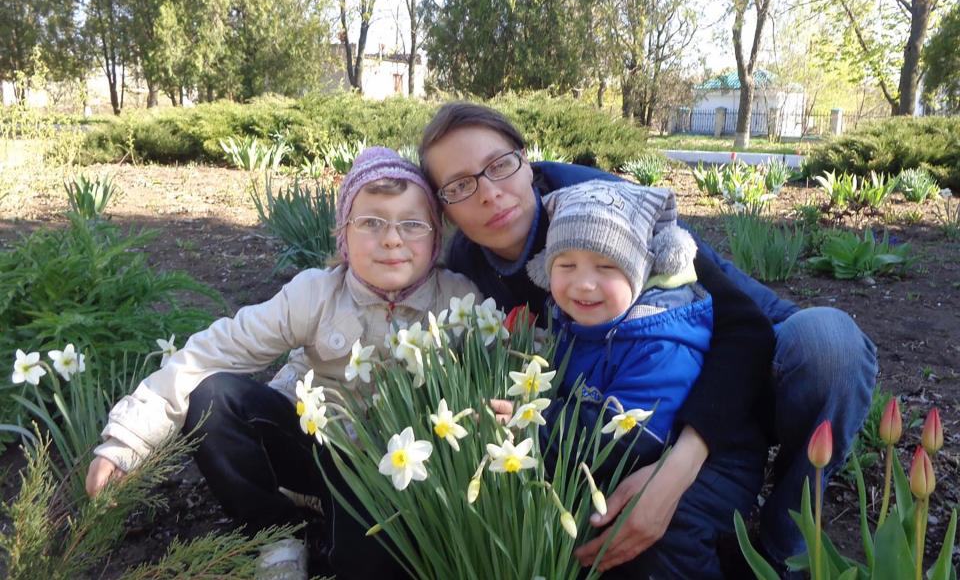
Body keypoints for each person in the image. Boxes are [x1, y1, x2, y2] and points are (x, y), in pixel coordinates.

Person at [418, 102, 878, 579]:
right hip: (627, 406)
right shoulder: (466, 266)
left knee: (829, 346)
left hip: (740, 359)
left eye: (499, 165)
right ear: (443, 207)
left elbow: (741, 328)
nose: (489, 194)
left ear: (526, 160)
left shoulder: (601, 207)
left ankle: (788, 551)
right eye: (459, 186)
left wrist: (673, 474)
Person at [85, 147, 479, 580]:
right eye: (370, 222)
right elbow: (210, 352)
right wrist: (126, 441)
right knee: (214, 396)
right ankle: (273, 533)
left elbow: (514, 355)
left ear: (436, 237)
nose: (391, 239)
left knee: (358, 564)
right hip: (315, 449)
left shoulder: (459, 302)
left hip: (395, 471)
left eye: (412, 223)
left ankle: (332, 533)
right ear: (343, 234)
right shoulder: (314, 294)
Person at [522, 180, 711, 474]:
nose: (583, 284)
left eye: (607, 267)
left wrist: (531, 420)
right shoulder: (563, 316)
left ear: (640, 273)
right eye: (566, 266)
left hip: (649, 490)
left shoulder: (661, 344)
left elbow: (627, 439)